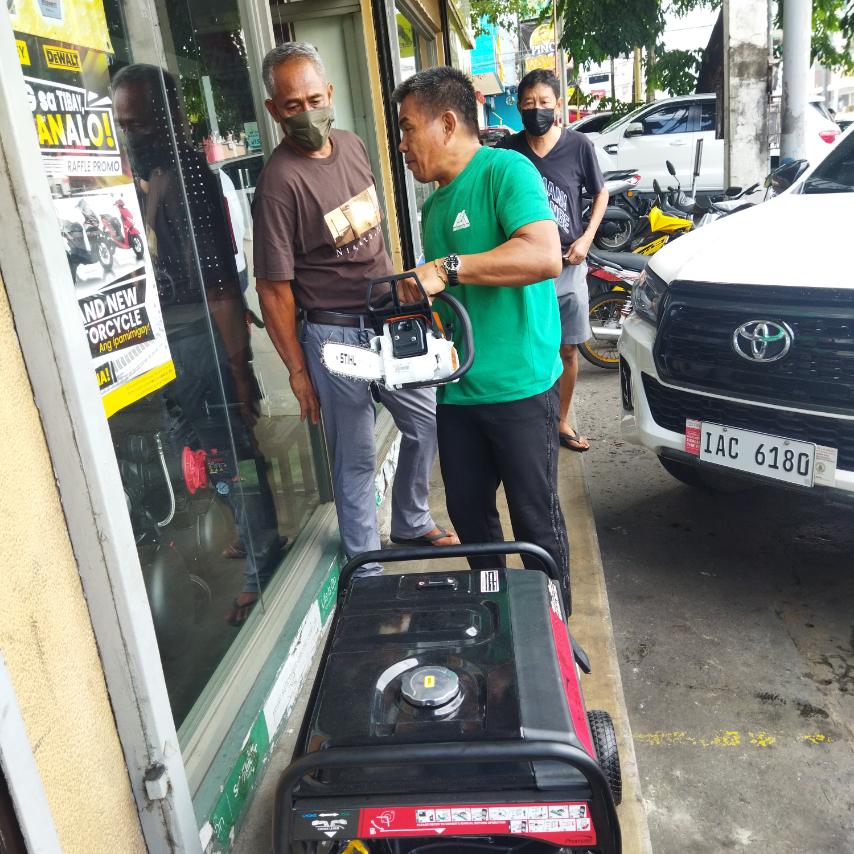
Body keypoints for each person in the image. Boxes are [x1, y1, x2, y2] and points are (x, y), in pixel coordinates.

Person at [252, 43, 458, 573]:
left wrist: (408, 299)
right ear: (274, 110)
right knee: (357, 455)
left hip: (389, 317)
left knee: (426, 421)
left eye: (314, 100)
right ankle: (366, 566)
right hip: (334, 335)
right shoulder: (279, 183)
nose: (306, 113)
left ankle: (410, 520)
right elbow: (273, 289)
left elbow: (376, 237)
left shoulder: (352, 146)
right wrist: (298, 371)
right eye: (292, 106)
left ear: (331, 94)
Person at [390, 66, 571, 605]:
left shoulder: (506, 170)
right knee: (471, 521)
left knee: (535, 524)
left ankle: (557, 630)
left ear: (447, 124)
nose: (401, 144)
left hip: (519, 388)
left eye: (408, 128)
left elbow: (544, 254)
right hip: (457, 393)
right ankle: (497, 617)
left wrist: (446, 268)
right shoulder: (432, 206)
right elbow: (454, 300)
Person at [111, 64, 281, 626]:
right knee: (205, 452)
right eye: (121, 124)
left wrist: (238, 370)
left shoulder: (191, 179)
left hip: (201, 342)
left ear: (166, 119)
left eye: (138, 122)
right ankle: (253, 533)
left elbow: (220, 284)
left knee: (229, 454)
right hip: (168, 342)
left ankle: (262, 559)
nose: (129, 134)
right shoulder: (151, 177)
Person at [498, 69, 607, 453]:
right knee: (525, 346)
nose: (537, 110)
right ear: (518, 107)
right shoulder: (508, 151)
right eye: (529, 103)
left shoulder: (578, 146)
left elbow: (600, 193)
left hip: (568, 263)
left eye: (544, 102)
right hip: (525, 267)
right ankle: (527, 424)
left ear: (558, 105)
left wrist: (586, 238)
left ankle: (560, 420)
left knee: (568, 348)